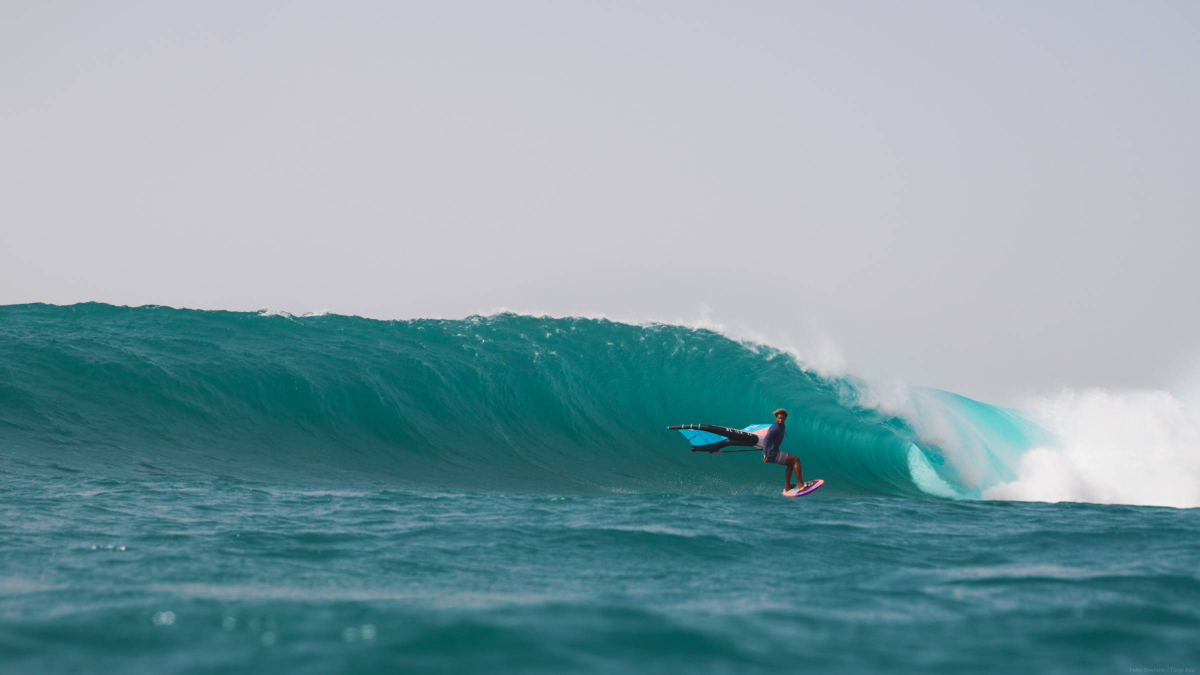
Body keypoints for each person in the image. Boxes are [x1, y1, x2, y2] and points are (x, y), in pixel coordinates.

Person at [762, 408, 809, 492]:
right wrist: (765, 453)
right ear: (776, 418)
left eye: (782, 418)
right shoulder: (775, 427)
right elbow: (766, 439)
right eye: (778, 418)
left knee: (791, 464)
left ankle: (787, 487)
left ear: (785, 418)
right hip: (772, 453)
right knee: (796, 460)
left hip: (774, 451)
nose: (780, 420)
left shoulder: (781, 425)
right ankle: (801, 484)